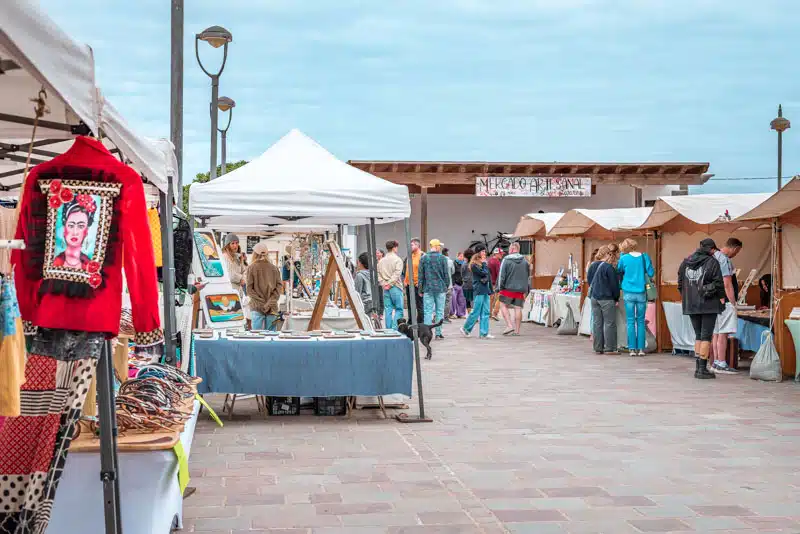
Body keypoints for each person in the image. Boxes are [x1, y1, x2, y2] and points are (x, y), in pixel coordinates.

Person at [678, 238, 725, 379]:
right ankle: (702, 369)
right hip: (708, 303)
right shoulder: (712, 262)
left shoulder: (685, 262)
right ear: (711, 249)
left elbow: (680, 284)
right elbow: (718, 283)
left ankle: (698, 367)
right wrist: (722, 299)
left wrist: (687, 296)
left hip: (691, 304)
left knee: (698, 335)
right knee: (706, 336)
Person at [616, 238, 654, 356]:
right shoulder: (644, 257)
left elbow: (618, 270)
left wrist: (622, 255)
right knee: (641, 321)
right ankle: (641, 349)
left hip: (628, 292)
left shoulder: (624, 258)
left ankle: (632, 349)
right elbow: (651, 273)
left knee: (631, 321)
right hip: (641, 292)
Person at [711, 237, 743, 374]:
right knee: (723, 333)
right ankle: (722, 363)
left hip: (714, 300)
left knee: (716, 332)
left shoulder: (714, 257)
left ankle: (716, 362)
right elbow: (727, 283)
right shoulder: (724, 259)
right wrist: (733, 303)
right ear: (734, 248)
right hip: (725, 301)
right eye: (737, 252)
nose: (736, 254)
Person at [586, 246, 620, 354]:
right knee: (609, 323)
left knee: (597, 323)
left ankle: (598, 347)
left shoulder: (592, 266)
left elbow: (589, 281)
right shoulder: (609, 267)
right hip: (606, 298)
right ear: (607, 254)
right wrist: (616, 298)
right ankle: (610, 348)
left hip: (594, 298)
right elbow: (614, 285)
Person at [247, 242, 283, 330]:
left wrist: (262, 303)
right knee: (271, 336)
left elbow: (249, 290)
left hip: (257, 306)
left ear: (254, 254)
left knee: (256, 336)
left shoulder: (251, 268)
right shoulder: (274, 268)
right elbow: (278, 289)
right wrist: (268, 303)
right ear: (267, 254)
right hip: (272, 307)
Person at [497, 242, 530, 336]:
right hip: (520, 289)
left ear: (511, 249)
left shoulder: (506, 260)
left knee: (503, 306)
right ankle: (517, 331)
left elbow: (501, 275)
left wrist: (500, 287)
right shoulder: (525, 261)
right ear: (518, 249)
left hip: (508, 288)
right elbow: (527, 275)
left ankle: (509, 325)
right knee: (518, 308)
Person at [418, 239, 450, 339]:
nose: (440, 247)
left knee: (428, 311)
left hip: (428, 288)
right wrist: (446, 286)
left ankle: (426, 332)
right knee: (439, 311)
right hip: (440, 288)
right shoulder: (443, 258)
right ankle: (438, 333)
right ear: (436, 246)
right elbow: (446, 275)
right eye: (439, 246)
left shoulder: (424, 258)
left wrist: (420, 289)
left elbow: (421, 275)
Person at [460, 245, 494, 339]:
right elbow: (483, 273)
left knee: (486, 311)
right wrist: (484, 264)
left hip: (485, 290)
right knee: (476, 311)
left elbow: (488, 277)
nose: (484, 253)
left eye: (484, 251)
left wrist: (490, 290)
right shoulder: (474, 264)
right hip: (479, 290)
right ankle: (465, 328)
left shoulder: (483, 263)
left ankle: (484, 333)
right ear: (478, 253)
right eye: (483, 251)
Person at [53, 198, 94, 269]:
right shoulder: (55, 262)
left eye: (81, 226)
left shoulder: (89, 265)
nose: (75, 232)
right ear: (64, 229)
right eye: (71, 226)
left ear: (86, 231)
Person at [378, 240, 405, 329]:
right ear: (394, 248)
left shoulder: (381, 261)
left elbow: (378, 274)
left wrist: (384, 284)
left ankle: (388, 329)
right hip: (395, 286)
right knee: (399, 309)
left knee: (388, 309)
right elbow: (397, 274)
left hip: (385, 287)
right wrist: (390, 283)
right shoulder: (398, 260)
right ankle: (394, 328)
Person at [404, 237, 424, 323]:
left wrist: (420, 283)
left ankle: (420, 322)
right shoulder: (409, 256)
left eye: (411, 245)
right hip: (409, 284)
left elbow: (424, 271)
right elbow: (406, 269)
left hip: (417, 285)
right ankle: (411, 321)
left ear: (417, 245)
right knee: (410, 304)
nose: (409, 247)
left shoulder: (422, 255)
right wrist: (405, 280)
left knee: (419, 305)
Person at [355, 252, 374, 316]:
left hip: (364, 303)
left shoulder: (359, 275)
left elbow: (357, 292)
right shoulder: (372, 274)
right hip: (371, 301)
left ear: (360, 263)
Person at [450, 250, 467, 318]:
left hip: (462, 284)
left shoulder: (464, 264)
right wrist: (453, 283)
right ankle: (452, 313)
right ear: (457, 256)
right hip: (455, 284)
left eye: (462, 256)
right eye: (460, 256)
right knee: (453, 300)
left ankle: (461, 314)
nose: (462, 257)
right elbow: (452, 274)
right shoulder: (454, 263)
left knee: (462, 300)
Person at [488, 248, 503, 321]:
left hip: (489, 283)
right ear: (496, 254)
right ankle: (495, 313)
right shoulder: (497, 262)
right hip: (496, 283)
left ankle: (489, 314)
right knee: (500, 298)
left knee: (490, 299)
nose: (502, 255)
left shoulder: (489, 260)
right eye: (500, 254)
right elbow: (499, 274)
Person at [442, 247, 456, 323]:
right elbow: (453, 271)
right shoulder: (450, 261)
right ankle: (445, 317)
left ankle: (437, 317)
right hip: (449, 285)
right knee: (447, 301)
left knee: (439, 301)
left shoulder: (439, 260)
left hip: (440, 285)